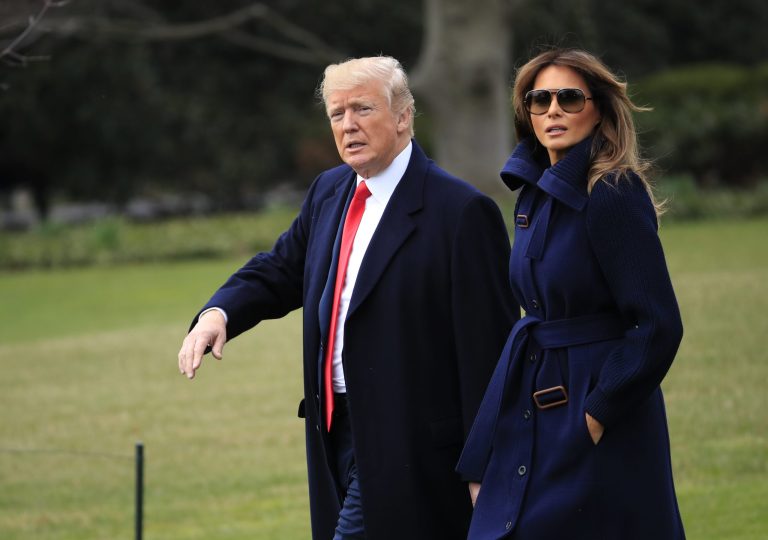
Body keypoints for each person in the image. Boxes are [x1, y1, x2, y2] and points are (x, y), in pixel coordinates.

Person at [177, 56, 517, 540]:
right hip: (333, 435)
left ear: (403, 117)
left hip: (414, 445)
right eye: (337, 114)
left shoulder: (461, 213)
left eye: (362, 109)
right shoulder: (329, 191)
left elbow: (489, 351)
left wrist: (487, 462)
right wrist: (220, 312)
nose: (348, 126)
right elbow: (281, 268)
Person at [456, 48, 686, 539]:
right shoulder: (531, 196)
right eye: (539, 100)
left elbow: (657, 324)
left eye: (568, 97)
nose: (553, 110)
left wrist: (598, 413)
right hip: (536, 395)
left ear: (598, 107)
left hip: (598, 405)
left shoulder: (614, 193)